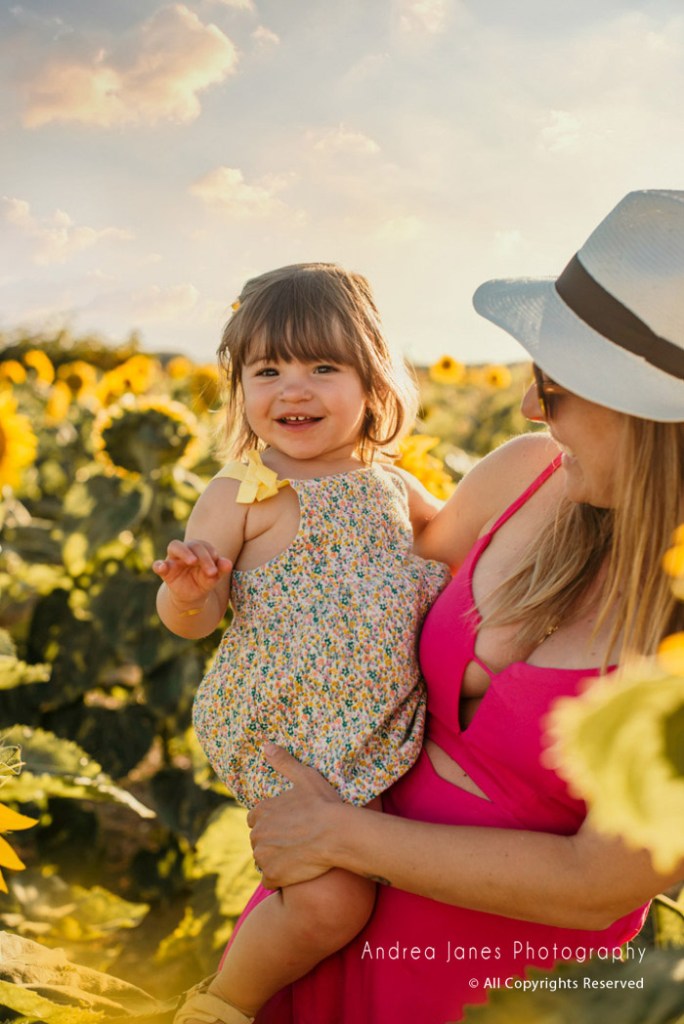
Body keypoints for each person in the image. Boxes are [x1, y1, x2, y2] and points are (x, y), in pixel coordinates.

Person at [243, 189, 684, 1024]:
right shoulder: (525, 475)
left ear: (650, 418)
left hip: (497, 993)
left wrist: (338, 836)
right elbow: (369, 584)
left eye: (553, 389)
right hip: (316, 935)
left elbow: (599, 886)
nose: (527, 409)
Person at [153, 262, 451, 1024]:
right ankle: (220, 1004)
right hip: (283, 732)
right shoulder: (241, 494)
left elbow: (460, 539)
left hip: (371, 729)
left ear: (373, 383)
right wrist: (189, 592)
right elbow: (196, 616)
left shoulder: (393, 485)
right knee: (333, 904)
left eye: (323, 366)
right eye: (268, 369)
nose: (293, 388)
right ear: (240, 388)